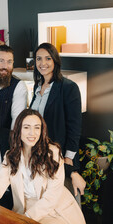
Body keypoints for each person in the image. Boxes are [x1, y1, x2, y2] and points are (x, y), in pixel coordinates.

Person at [0, 109, 85, 224]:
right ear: (19, 130)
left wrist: (26, 218)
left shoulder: (52, 153)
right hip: (24, 210)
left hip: (54, 212)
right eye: (27, 127)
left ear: (41, 130)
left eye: (37, 128)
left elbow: (52, 197)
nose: (32, 133)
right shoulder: (11, 156)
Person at [30, 42, 86, 196]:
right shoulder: (37, 86)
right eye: (39, 59)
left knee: (62, 200)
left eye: (48, 58)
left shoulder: (68, 87)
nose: (43, 63)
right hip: (38, 153)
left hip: (59, 155)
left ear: (55, 61)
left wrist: (68, 158)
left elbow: (75, 126)